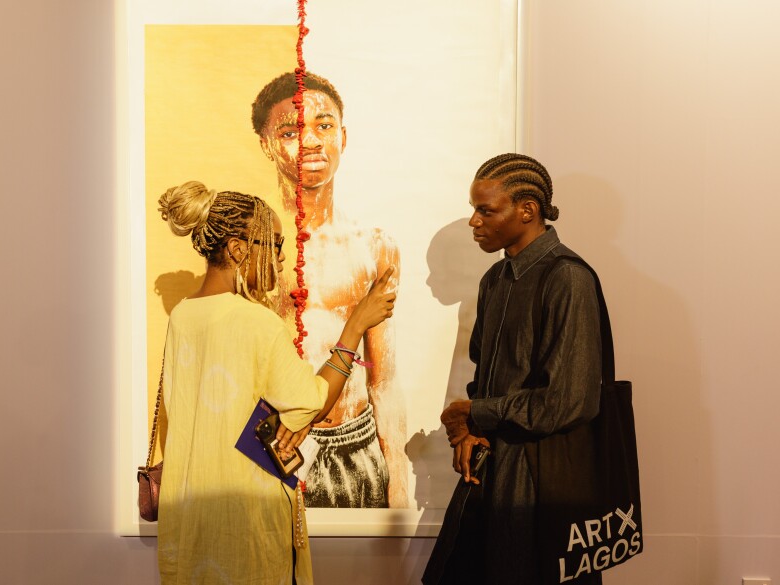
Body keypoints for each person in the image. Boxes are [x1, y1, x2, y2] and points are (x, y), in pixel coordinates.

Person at [155, 180, 396, 585]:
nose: (282, 261)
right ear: (237, 249)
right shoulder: (255, 321)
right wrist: (354, 327)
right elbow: (310, 403)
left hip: (192, 513)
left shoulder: (183, 314)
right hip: (244, 515)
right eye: (275, 245)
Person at [423, 154, 603, 585]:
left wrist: (476, 414)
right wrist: (471, 429)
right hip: (489, 476)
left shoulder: (569, 278)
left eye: (486, 210)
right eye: (474, 209)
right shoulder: (496, 280)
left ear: (528, 210)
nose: (474, 221)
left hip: (543, 487)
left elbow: (570, 401)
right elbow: (483, 374)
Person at [250, 72, 408, 508]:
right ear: (266, 143)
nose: (311, 142)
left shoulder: (375, 247)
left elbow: (384, 378)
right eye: (290, 131)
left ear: (343, 135)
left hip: (357, 449)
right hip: (275, 447)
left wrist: (397, 480)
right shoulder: (253, 253)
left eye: (324, 125)